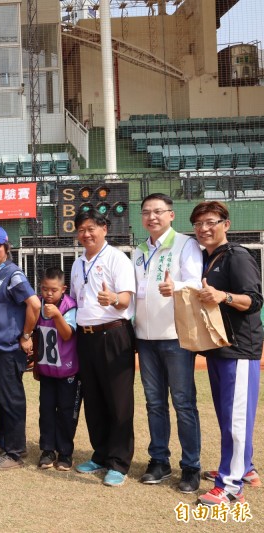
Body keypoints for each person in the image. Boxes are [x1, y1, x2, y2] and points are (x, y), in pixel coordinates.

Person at [190, 201, 262, 506]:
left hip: (239, 349)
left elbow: (255, 300)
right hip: (218, 348)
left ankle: (231, 485)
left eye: (211, 222)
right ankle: (243, 469)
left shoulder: (237, 256)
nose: (204, 229)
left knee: (235, 419)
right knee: (227, 415)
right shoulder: (209, 259)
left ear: (226, 225)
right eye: (198, 224)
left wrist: (225, 296)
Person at [133, 193, 203, 493]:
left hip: (176, 338)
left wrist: (177, 286)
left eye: (159, 211)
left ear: (171, 215)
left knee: (184, 404)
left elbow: (197, 282)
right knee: (154, 404)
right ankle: (159, 460)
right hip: (145, 341)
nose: (153, 217)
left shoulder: (185, 244)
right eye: (147, 212)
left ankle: (191, 467)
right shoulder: (137, 250)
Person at [69, 209, 136, 487]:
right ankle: (100, 454)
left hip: (114, 335)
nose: (86, 234)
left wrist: (113, 299)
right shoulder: (77, 263)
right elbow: (75, 301)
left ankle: (119, 463)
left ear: (104, 229)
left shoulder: (117, 259)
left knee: (119, 402)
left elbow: (125, 299)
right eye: (81, 229)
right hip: (85, 338)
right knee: (93, 399)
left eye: (91, 228)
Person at [0, 226, 41, 471]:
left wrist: (26, 335)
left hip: (8, 349)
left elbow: (34, 304)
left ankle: (14, 453)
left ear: (6, 248)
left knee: (11, 400)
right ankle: (10, 448)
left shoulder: (13, 273)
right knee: (5, 399)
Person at [35, 267, 80, 472]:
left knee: (66, 412)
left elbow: (67, 334)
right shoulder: (38, 305)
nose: (48, 294)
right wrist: (36, 363)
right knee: (46, 411)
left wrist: (57, 316)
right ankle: (47, 450)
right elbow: (37, 336)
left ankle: (65, 452)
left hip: (67, 371)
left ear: (63, 289)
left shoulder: (70, 307)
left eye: (53, 290)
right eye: (45, 289)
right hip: (46, 370)